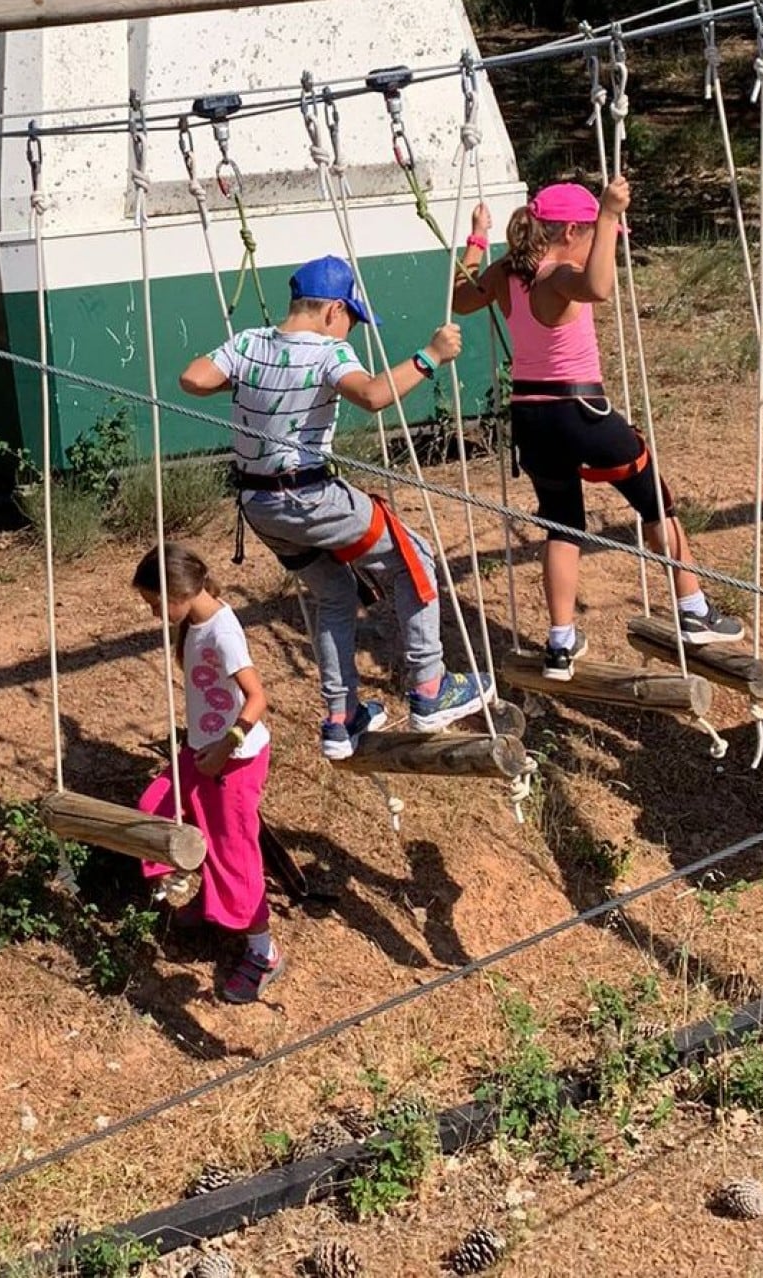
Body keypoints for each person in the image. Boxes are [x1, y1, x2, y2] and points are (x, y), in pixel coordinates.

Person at [181, 255, 492, 761]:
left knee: (334, 594)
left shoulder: (247, 344)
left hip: (259, 507)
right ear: (332, 311)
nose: (350, 326)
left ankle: (340, 718)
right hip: (307, 496)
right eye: (350, 316)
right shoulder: (330, 351)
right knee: (414, 559)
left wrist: (249, 381)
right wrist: (430, 356)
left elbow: (193, 379)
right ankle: (430, 687)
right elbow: (371, 395)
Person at [453, 179, 745, 680]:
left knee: (562, 523)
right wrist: (609, 213)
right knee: (656, 500)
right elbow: (598, 287)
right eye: (594, 234)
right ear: (572, 231)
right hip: (579, 411)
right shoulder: (559, 274)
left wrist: (477, 241)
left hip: (531, 416)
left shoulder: (510, 272)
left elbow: (461, 299)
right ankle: (694, 610)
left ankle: (561, 643)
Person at [131, 542, 279, 1004]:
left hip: (234, 761)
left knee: (234, 851)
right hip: (200, 752)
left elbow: (258, 699)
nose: (155, 613)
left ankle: (263, 950)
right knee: (155, 806)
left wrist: (224, 748)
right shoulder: (194, 624)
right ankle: (196, 889)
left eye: (156, 603)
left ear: (178, 589)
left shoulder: (222, 632)